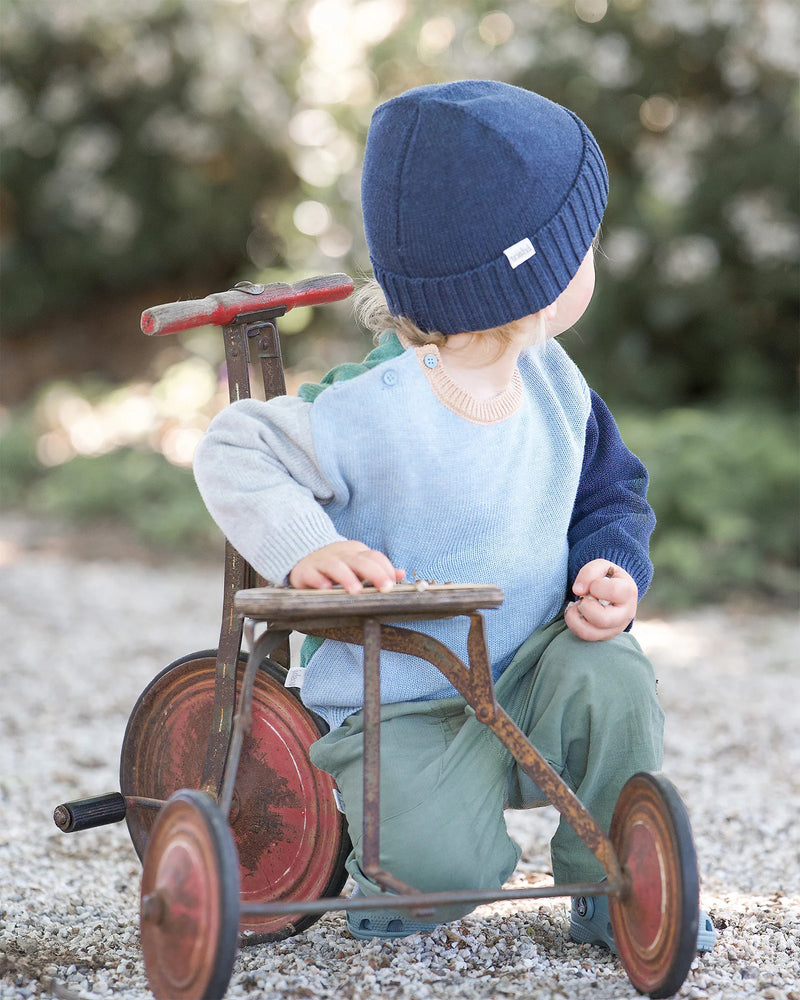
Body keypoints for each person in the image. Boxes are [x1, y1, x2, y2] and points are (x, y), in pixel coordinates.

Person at [193, 80, 715, 954]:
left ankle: (615, 889)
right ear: (537, 275)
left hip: (536, 662)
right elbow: (234, 448)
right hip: (407, 699)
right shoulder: (374, 407)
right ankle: (400, 868)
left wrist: (613, 565)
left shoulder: (558, 386)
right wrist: (307, 548)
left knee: (613, 675)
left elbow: (610, 492)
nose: (593, 261)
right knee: (432, 873)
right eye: (583, 245)